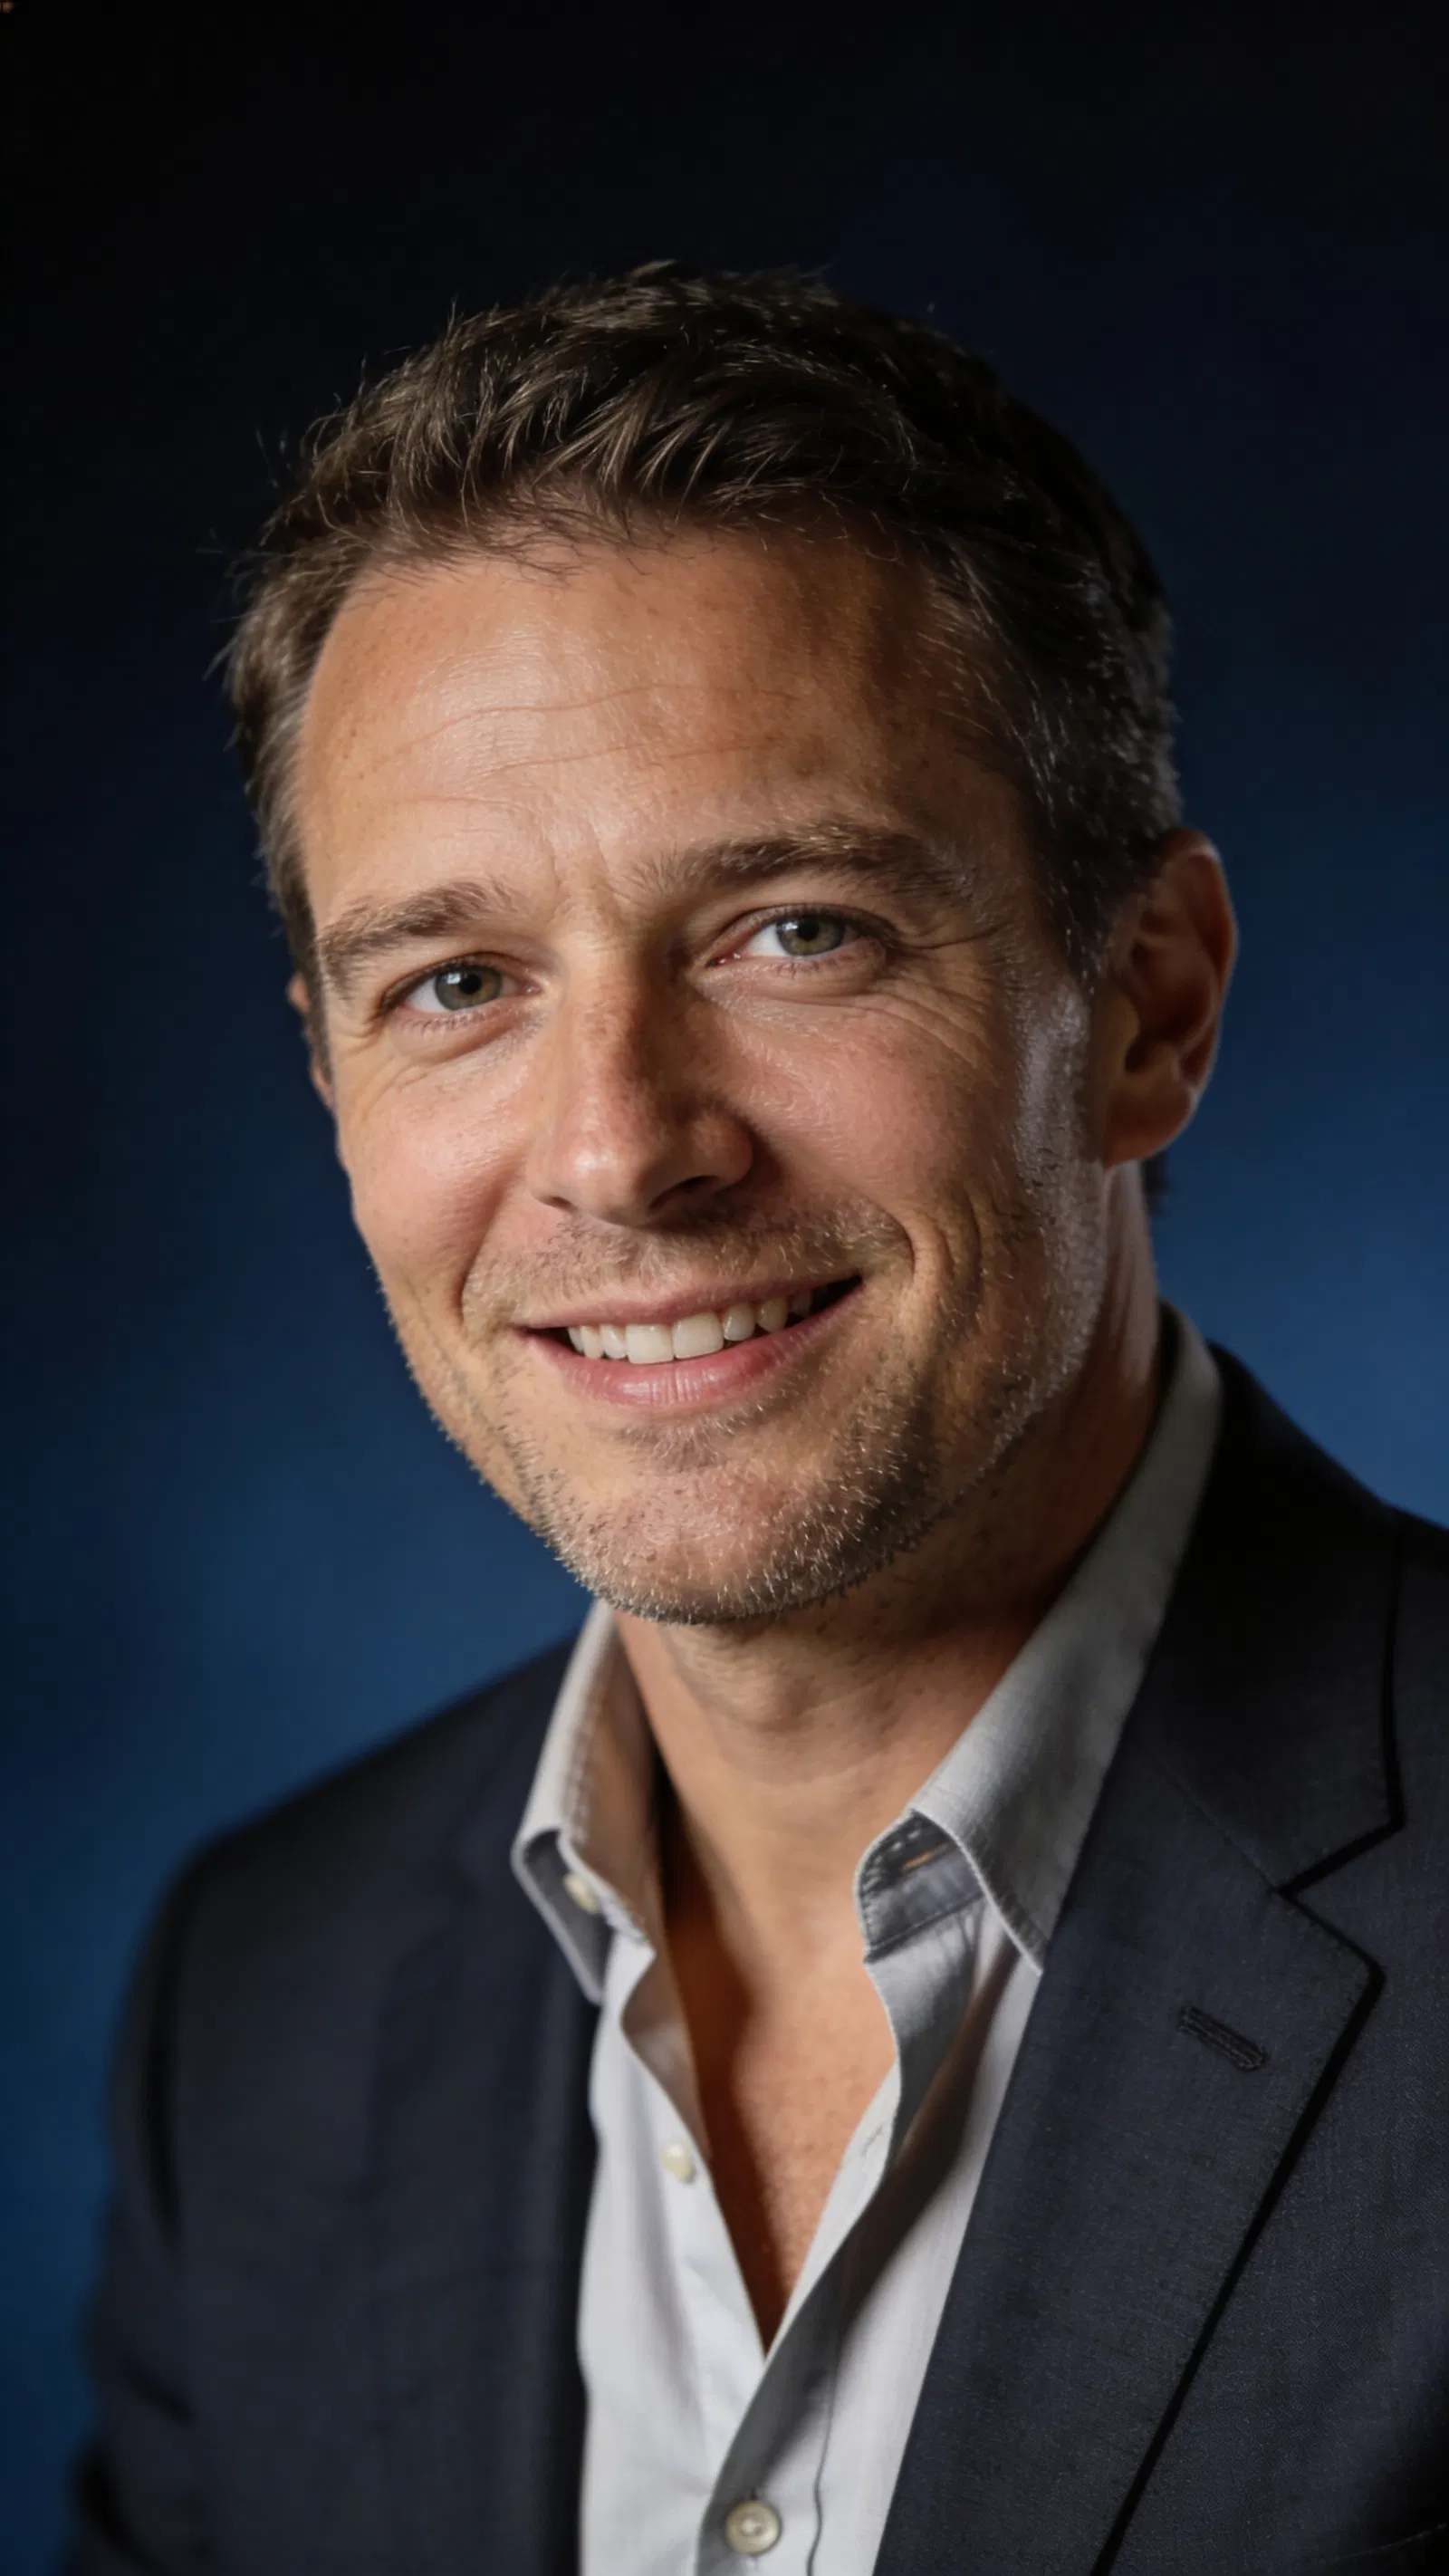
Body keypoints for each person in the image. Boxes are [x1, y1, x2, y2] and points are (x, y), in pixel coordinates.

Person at [69, 266, 1448, 2576]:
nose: (619, 1150)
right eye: (459, 982)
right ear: (329, 1081)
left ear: (1146, 1007)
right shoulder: (260, 2008)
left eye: (792, 930)